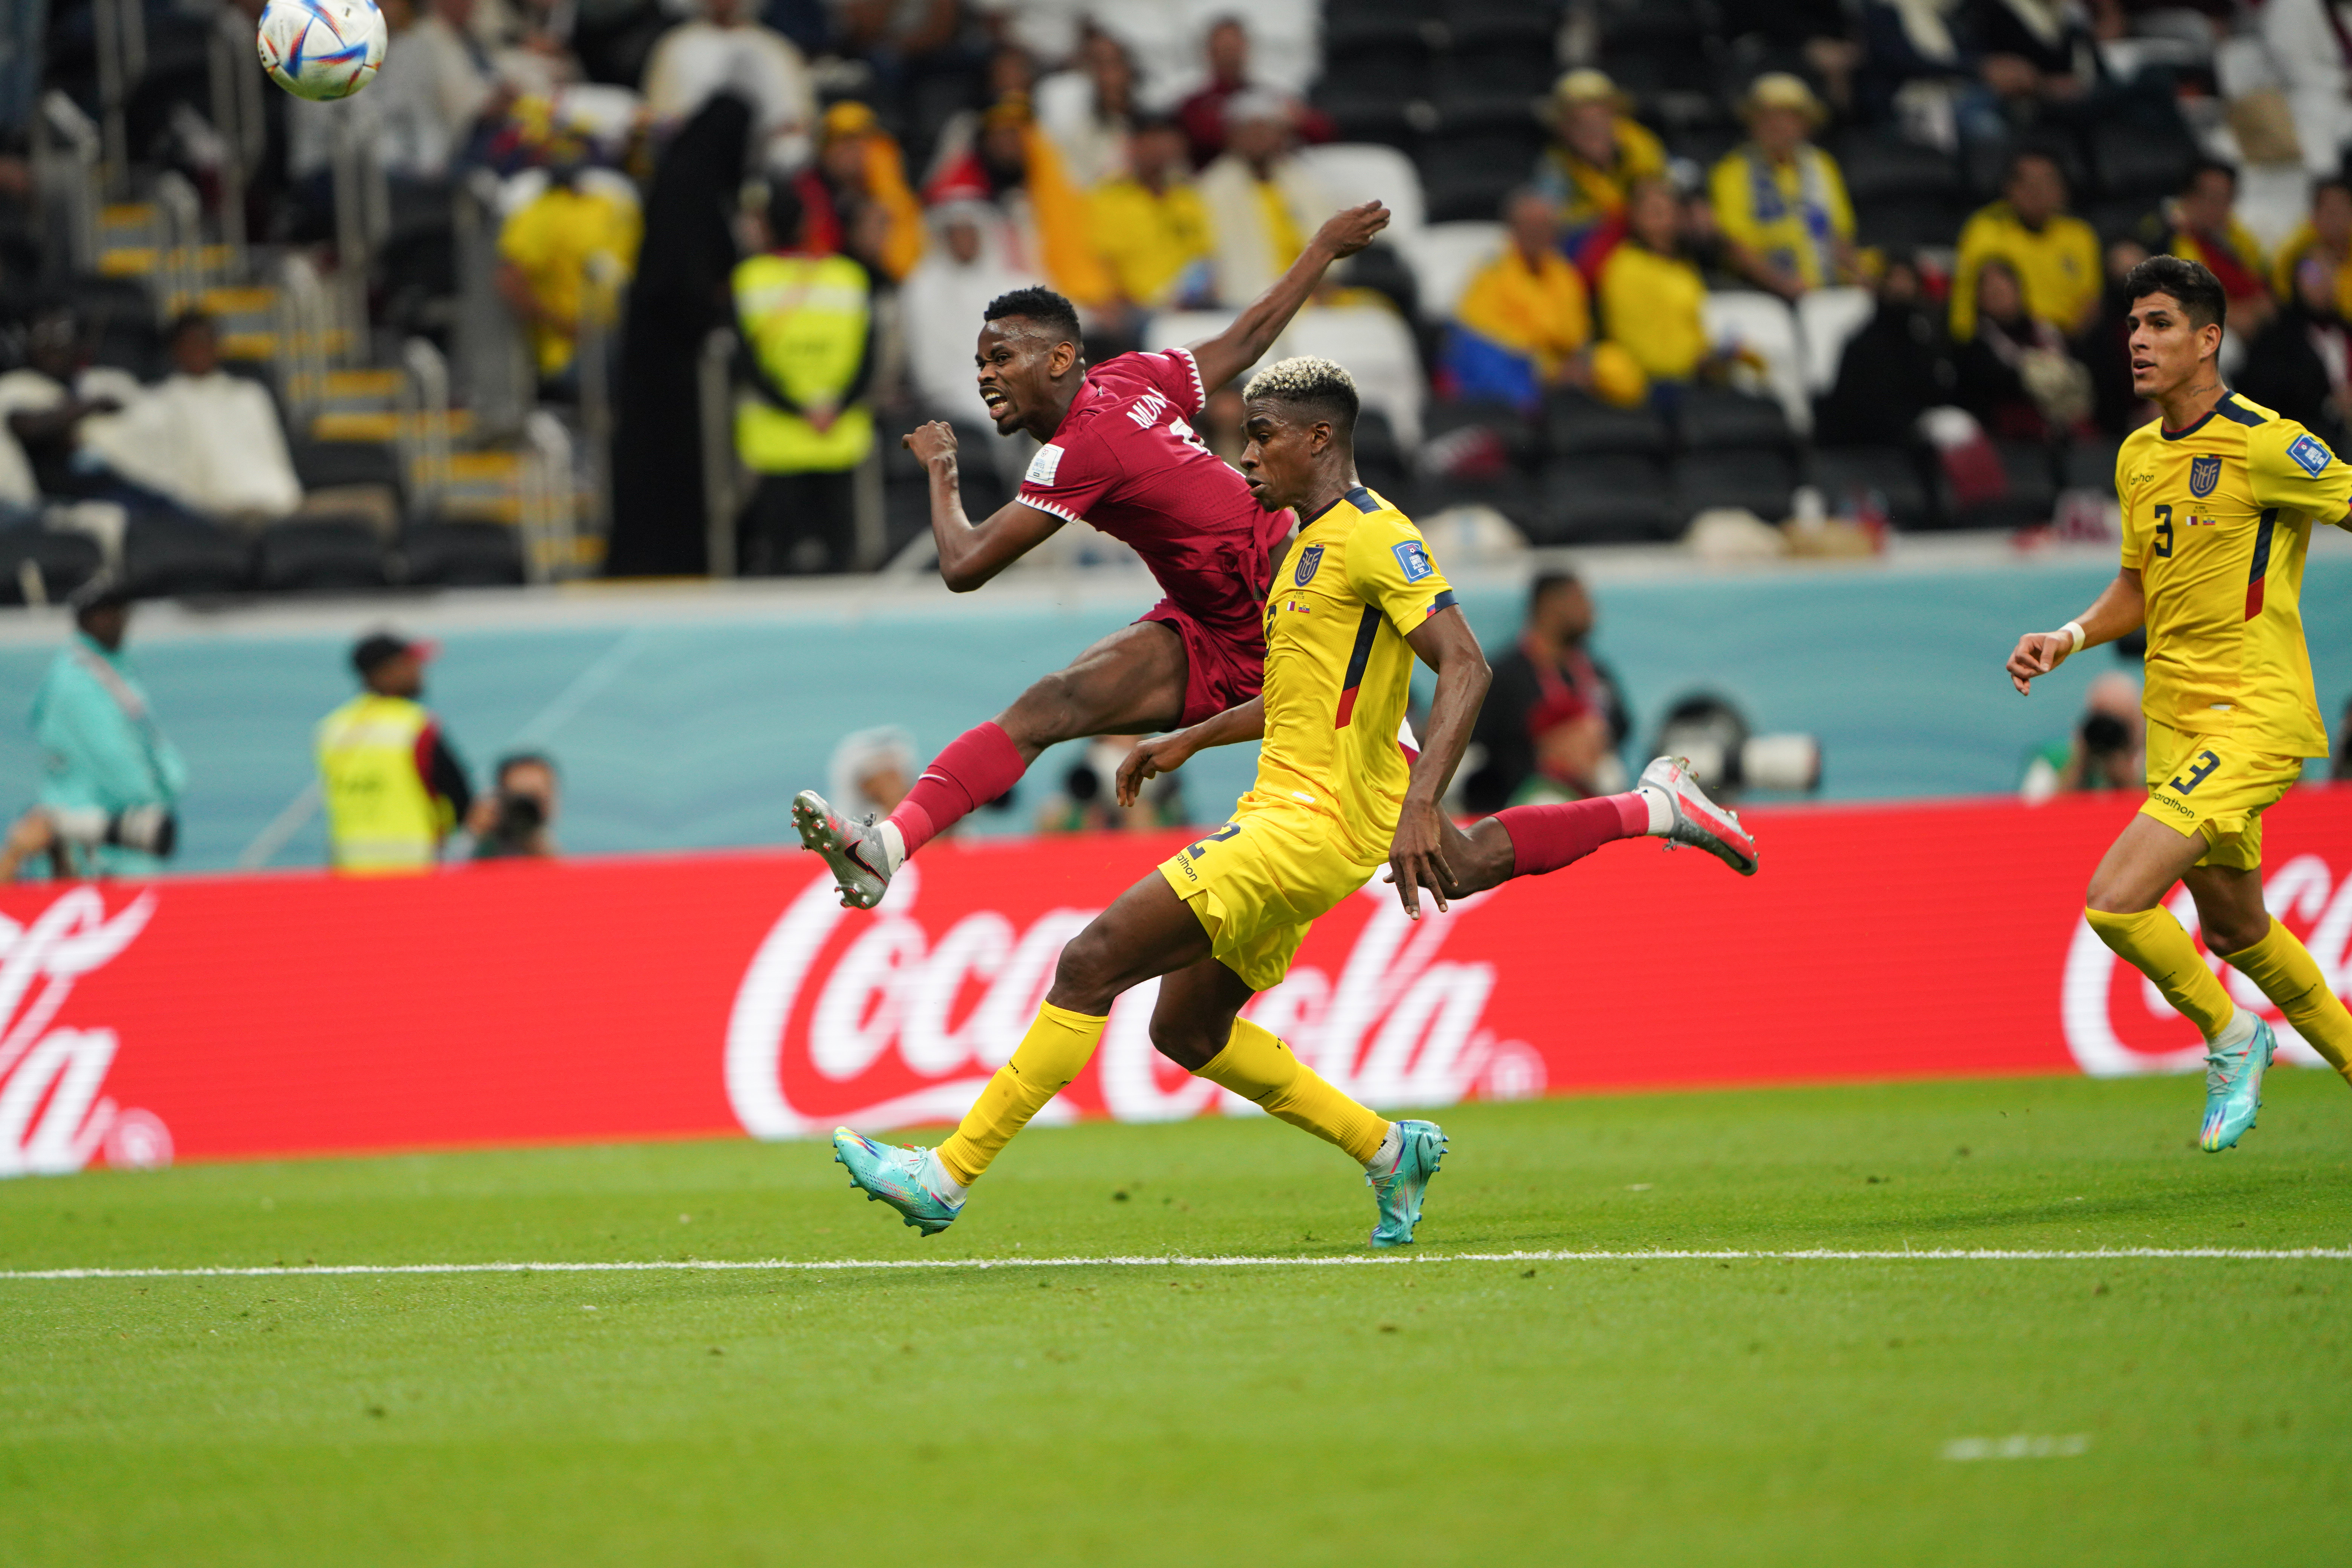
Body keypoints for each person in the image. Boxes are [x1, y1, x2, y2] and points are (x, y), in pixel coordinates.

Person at [829, 355, 1758, 1242]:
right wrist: (1190, 737)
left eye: (1261, 437)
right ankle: (1389, 1147)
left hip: (1308, 828)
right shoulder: (1302, 551)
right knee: (1187, 1028)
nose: (1242, 456)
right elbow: (1297, 692)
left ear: (1319, 440)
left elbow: (1465, 665)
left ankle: (945, 1177)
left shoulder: (1376, 534)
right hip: (1293, 810)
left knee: (1090, 961)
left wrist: (1419, 804)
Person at [789, 202, 1393, 911]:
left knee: (1428, 832)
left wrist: (941, 467)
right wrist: (1321, 248)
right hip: (1209, 624)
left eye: (1003, 358)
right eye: (982, 361)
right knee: (1050, 705)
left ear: (1061, 358)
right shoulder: (1122, 391)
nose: (986, 375)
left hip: (1295, 611)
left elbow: (963, 565)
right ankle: (885, 849)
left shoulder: (1087, 438)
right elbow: (1246, 339)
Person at [2005, 254, 2352, 1152]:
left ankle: (2231, 1036)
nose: (2137, 342)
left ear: (2208, 340)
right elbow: (2136, 585)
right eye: (2131, 327)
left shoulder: (2267, 445)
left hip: (2251, 712)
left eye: (2158, 325)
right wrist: (2070, 637)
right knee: (2237, 931)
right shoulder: (2136, 454)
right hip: (2177, 720)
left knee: (2116, 901)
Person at [732, 183, 875, 575]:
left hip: (778, 434)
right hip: (837, 431)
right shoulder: (849, 276)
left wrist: (797, 409)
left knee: (780, 560)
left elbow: (746, 365)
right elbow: (869, 359)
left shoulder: (749, 278)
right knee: (841, 557)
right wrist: (835, 407)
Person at [23, 577, 185, 878]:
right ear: (88, 619)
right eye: (110, 613)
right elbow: (113, 760)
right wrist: (151, 805)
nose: (121, 621)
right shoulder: (76, 682)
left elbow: (145, 742)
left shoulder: (112, 670)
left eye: (123, 611)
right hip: (97, 845)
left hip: (117, 840)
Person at [75, 314, 304, 525]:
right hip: (220, 511)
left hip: (282, 503)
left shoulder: (250, 394)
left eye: (208, 340)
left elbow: (275, 457)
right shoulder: (163, 400)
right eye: (193, 342)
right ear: (176, 349)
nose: (201, 349)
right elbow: (119, 437)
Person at [923, 95, 1116, 312]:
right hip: (973, 297)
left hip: (1046, 291)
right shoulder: (962, 194)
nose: (1007, 143)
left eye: (1013, 133)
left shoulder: (1047, 184)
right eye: (998, 134)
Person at [1462, 571, 1631, 816]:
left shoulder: (1595, 672)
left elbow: (1622, 729)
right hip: (1518, 811)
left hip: (1592, 806)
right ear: (1548, 607)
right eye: (1579, 600)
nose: (1591, 610)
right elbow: (1475, 747)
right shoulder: (1501, 676)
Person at [318, 632, 475, 874]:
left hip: (349, 872)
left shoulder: (333, 729)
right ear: (384, 673)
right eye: (410, 664)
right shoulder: (416, 725)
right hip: (413, 870)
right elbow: (458, 794)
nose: (420, 671)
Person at [495, 156, 642, 390]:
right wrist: (564, 325)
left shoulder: (610, 206)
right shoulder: (541, 213)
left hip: (624, 336)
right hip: (574, 354)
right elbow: (509, 280)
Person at [1707, 73, 1858, 300]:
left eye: (1789, 117)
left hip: (1827, 291)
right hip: (1764, 297)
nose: (1778, 125)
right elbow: (1735, 247)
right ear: (1753, 124)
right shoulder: (1731, 172)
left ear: (1806, 125)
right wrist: (1782, 284)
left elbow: (1839, 235)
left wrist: (1857, 274)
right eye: (1768, 117)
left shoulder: (1823, 165)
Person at [1444, 188, 1597, 411]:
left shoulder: (1566, 275)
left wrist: (1570, 364)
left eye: (1543, 225)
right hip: (1513, 369)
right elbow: (1481, 331)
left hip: (1558, 370)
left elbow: (1576, 334)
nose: (1535, 232)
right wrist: (1544, 361)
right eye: (1528, 225)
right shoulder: (1493, 272)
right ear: (1512, 229)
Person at [902, 201, 1041, 431]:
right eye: (955, 234)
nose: (963, 241)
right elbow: (930, 366)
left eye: (969, 233)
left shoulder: (1012, 286)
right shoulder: (922, 289)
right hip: (949, 395)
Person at [1950, 149, 2101, 343]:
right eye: (2026, 183)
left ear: (2062, 191)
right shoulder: (1985, 229)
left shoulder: (2081, 235)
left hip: (2068, 344)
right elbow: (1966, 309)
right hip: (2007, 342)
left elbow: (2091, 304)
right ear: (2008, 188)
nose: (2037, 192)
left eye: (2047, 183)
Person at [1194, 90, 1328, 308]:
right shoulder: (1211, 189)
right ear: (1231, 137)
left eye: (1265, 129)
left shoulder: (1305, 183)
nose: (1257, 138)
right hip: (1245, 303)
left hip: (1313, 295)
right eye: (1248, 130)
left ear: (1282, 136)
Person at [640, 0, 815, 161]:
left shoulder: (774, 47)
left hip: (762, 148)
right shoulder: (677, 44)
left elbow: (800, 115)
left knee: (793, 152)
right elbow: (658, 110)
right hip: (694, 144)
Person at [1816, 255, 1957, 447]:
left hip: (1913, 436)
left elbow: (1934, 390)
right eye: (1894, 279)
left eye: (1907, 280)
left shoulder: (1924, 339)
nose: (1899, 287)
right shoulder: (1862, 343)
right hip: (1866, 443)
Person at [1599, 179, 1718, 399]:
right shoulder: (1623, 266)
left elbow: (1696, 324)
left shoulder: (1685, 268)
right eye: (1653, 212)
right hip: (1649, 383)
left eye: (1667, 211)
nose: (1661, 219)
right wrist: (1689, 364)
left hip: (1694, 378)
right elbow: (1633, 340)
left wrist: (1708, 357)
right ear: (1635, 217)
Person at [1951, 257, 2093, 440]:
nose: (1999, 293)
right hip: (2013, 440)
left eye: (2004, 288)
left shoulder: (2048, 332)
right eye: (1991, 291)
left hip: (2067, 429)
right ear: (1980, 299)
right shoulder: (1975, 349)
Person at [1531, 70, 1668, 257]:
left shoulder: (1643, 147)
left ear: (1614, 118)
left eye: (1599, 119)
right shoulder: (1555, 167)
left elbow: (1661, 203)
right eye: (1580, 123)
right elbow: (1550, 225)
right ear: (1563, 129)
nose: (1593, 129)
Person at [1086, 116, 1215, 314]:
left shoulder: (1188, 198)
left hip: (1189, 306)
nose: (1157, 149)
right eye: (1148, 141)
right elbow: (1104, 265)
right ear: (1132, 146)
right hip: (1136, 311)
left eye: (1164, 140)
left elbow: (1203, 257)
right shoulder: (1107, 199)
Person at [1175, 15, 1331, 168]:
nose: (1230, 55)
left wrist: (1296, 120)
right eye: (1224, 49)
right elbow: (1199, 137)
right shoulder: (1196, 104)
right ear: (1209, 53)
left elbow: (1322, 131)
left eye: (1235, 47)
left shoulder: (1270, 96)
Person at [2234, 255, 2352, 453]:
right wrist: (2329, 402)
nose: (2323, 284)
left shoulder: (2344, 329)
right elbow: (2266, 389)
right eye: (2315, 277)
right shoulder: (2279, 336)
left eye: (2330, 275)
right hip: (2305, 432)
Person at [2161, 161, 2271, 335]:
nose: (2216, 208)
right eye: (2209, 198)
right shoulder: (2166, 239)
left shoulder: (2234, 233)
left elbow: (2261, 282)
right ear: (2187, 196)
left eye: (2225, 199)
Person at [1035, 26, 1137, 190]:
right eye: (1099, 65)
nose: (1108, 75)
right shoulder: (1072, 122)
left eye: (1114, 64)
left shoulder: (1143, 122)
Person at [2020, 669, 2144, 802]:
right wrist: (2078, 768)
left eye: (2120, 724)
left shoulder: (2156, 765)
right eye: (2101, 722)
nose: (2107, 732)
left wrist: (2127, 781)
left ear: (2139, 723)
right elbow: (2030, 813)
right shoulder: (2052, 759)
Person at [2268, 178, 2352, 319]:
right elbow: (2318, 298)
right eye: (2331, 211)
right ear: (2314, 215)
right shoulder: (2308, 262)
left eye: (2344, 210)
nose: (2337, 219)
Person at [469, 751, 559, 859]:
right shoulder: (480, 846)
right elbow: (450, 870)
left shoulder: (554, 853)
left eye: (535, 796)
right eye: (519, 797)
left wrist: (540, 847)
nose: (525, 808)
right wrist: (472, 835)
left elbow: (564, 873)